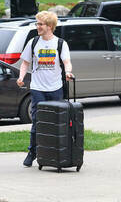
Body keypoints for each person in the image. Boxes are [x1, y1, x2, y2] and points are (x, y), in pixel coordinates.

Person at [17, 11, 73, 167]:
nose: (37, 27)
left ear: (49, 26)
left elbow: (66, 62)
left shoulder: (60, 43)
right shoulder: (33, 42)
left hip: (56, 88)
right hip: (37, 89)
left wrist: (68, 72)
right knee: (37, 121)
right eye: (37, 24)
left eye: (40, 24)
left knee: (57, 122)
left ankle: (56, 152)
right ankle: (32, 152)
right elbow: (25, 63)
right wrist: (21, 77)